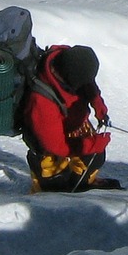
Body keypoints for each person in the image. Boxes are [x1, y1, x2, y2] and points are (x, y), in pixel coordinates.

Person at [19, 44, 118, 193]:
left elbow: (87, 80)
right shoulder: (41, 102)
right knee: (54, 183)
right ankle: (43, 193)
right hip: (48, 143)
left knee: (94, 157)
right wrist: (95, 143)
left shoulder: (66, 58)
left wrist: (97, 102)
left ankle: (83, 184)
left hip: (73, 126)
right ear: (71, 80)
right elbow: (57, 146)